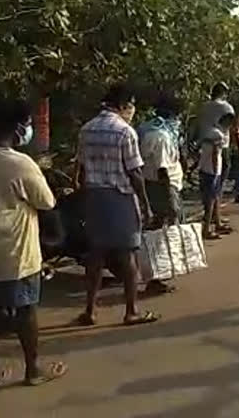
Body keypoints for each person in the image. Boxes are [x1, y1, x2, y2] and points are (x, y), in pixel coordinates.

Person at [0, 99, 67, 392]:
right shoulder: (20, 163)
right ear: (18, 128)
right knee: (25, 312)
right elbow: (47, 201)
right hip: (17, 253)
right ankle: (33, 369)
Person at [76, 85, 158, 327]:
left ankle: (90, 310)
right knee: (127, 257)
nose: (133, 110)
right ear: (123, 105)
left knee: (95, 257)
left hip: (94, 196)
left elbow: (80, 169)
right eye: (131, 105)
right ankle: (131, 311)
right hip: (119, 198)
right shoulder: (125, 132)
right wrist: (145, 204)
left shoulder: (86, 129)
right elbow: (135, 173)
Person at [137, 94, 185, 295]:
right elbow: (162, 170)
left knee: (155, 230)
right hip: (163, 187)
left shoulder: (147, 130)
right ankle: (155, 277)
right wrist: (171, 201)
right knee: (161, 232)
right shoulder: (162, 136)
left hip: (152, 184)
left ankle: (154, 275)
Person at [197, 82, 235, 227]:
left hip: (205, 148)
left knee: (209, 188)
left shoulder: (204, 106)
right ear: (224, 93)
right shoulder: (226, 107)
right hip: (219, 150)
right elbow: (231, 124)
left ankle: (214, 217)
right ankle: (214, 218)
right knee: (216, 187)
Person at [199, 113, 236, 239]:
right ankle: (207, 229)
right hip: (211, 170)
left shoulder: (210, 131)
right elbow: (215, 153)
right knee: (210, 201)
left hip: (207, 168)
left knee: (214, 198)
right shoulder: (218, 134)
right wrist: (215, 171)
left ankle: (217, 223)